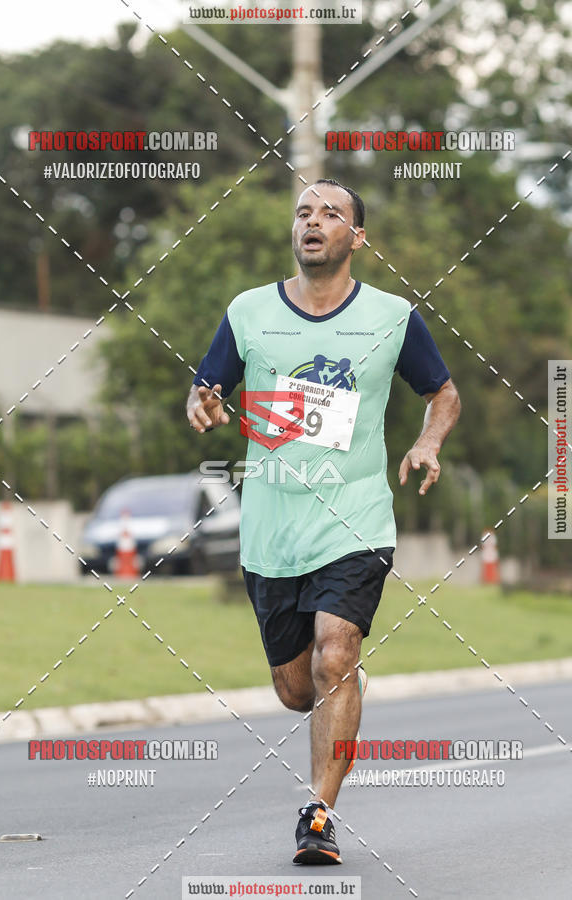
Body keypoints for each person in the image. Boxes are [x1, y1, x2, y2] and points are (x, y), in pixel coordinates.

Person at [186, 178, 461, 865]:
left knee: (336, 654)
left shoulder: (393, 316)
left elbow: (444, 392)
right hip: (273, 530)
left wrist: (427, 441)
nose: (313, 221)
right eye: (304, 212)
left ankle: (319, 815)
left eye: (330, 213)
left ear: (357, 238)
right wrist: (204, 403)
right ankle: (342, 689)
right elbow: (207, 385)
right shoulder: (248, 311)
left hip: (356, 520)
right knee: (295, 689)